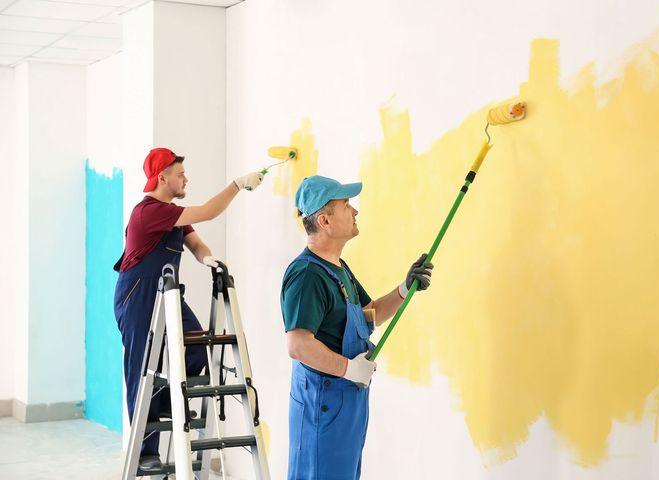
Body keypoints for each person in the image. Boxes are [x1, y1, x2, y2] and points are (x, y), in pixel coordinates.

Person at [113, 147, 264, 471]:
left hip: (168, 293)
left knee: (198, 347)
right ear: (162, 177)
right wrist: (237, 184)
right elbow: (209, 211)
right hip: (138, 294)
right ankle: (145, 453)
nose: (185, 179)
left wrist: (210, 258)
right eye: (180, 174)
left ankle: (165, 399)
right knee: (141, 369)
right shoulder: (150, 211)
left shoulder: (174, 215)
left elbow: (195, 243)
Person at [280, 175, 433, 479]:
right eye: (346, 205)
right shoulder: (308, 275)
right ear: (324, 220)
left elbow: (367, 314)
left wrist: (404, 289)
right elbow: (298, 345)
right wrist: (348, 369)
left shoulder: (337, 268)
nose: (355, 212)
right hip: (323, 401)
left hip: (346, 398)